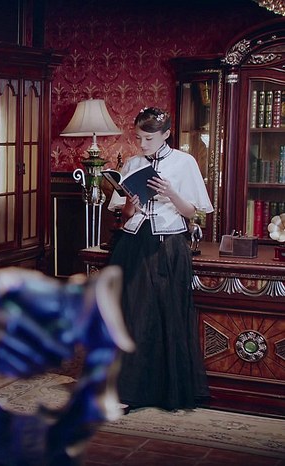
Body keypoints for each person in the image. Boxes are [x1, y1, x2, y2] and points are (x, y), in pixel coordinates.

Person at [106, 106, 214, 412]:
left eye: (149, 139)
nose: (142, 144)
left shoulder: (184, 162)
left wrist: (171, 193)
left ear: (166, 134)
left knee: (166, 314)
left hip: (168, 245)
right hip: (134, 243)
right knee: (132, 315)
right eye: (139, 138)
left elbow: (193, 212)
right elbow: (125, 214)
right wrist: (130, 202)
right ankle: (127, 392)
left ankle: (166, 391)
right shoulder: (133, 163)